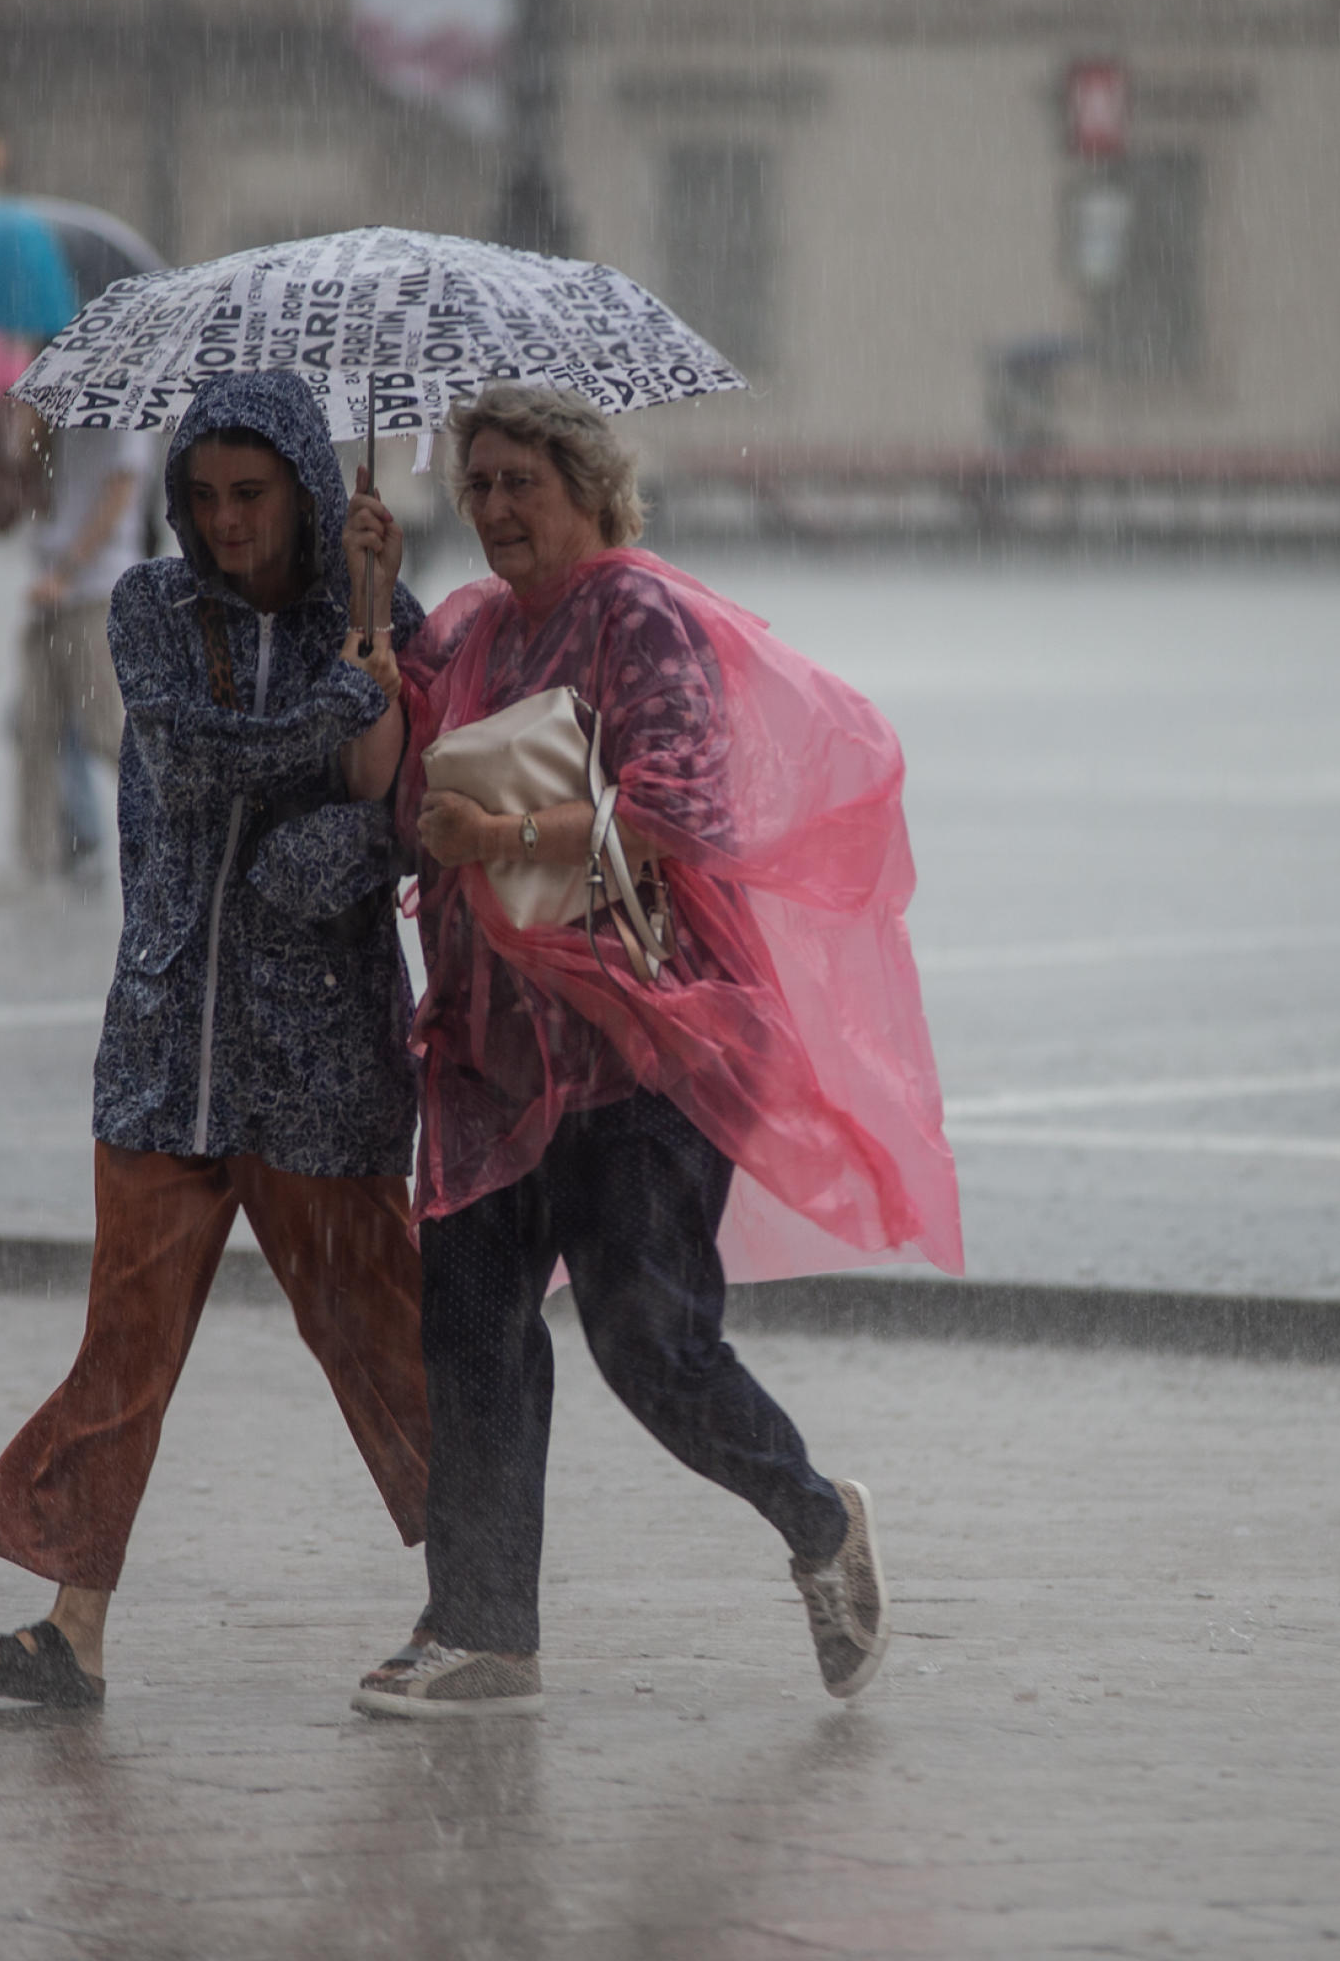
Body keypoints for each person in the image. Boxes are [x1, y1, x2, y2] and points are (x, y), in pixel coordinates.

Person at [349, 383, 962, 1720]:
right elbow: (400, 805)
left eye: (523, 480)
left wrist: (503, 836)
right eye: (481, 482)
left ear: (588, 488)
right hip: (486, 1050)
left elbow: (677, 812)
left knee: (652, 1343)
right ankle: (484, 1629)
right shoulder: (461, 630)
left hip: (637, 1047)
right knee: (474, 1335)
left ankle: (814, 1520)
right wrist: (368, 628)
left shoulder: (641, 616)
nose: (498, 507)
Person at [0, 369, 431, 1708]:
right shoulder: (152, 608)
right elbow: (199, 756)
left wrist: (377, 630)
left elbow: (401, 812)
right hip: (167, 1045)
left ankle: (482, 1598)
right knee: (126, 1342)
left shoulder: (388, 619)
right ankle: (72, 1628)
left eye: (252, 495)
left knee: (378, 1330)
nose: (225, 521)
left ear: (308, 493)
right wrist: (339, 709)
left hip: (321, 1057)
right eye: (206, 495)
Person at [0, 396, 159, 899]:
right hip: (46, 592)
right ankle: (33, 862)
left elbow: (121, 492)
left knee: (106, 729)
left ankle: (178, 827)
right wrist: (10, 442)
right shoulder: (56, 409)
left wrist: (70, 569)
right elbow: (22, 505)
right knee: (34, 728)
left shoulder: (130, 410)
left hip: (97, 590)